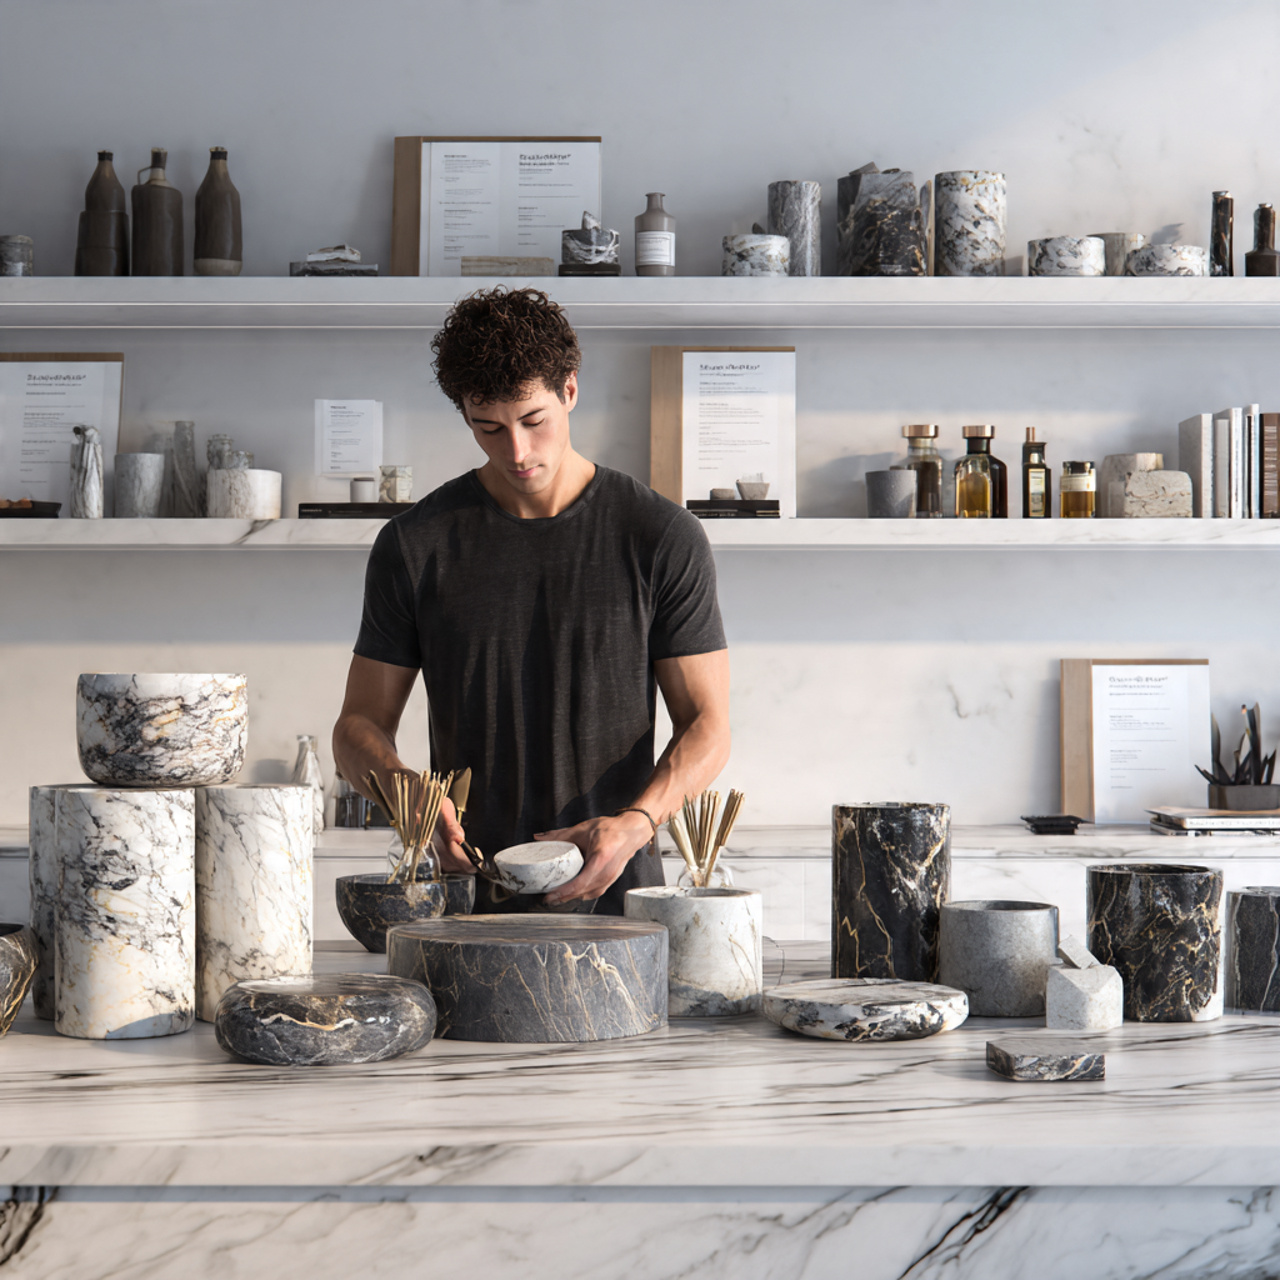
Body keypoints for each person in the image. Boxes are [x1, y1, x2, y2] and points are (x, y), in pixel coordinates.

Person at [332, 286, 730, 913]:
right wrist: (407, 794)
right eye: (487, 427)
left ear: (569, 390)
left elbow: (708, 725)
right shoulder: (414, 544)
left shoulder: (660, 536)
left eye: (533, 421)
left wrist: (637, 823)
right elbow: (357, 728)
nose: (516, 451)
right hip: (469, 900)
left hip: (625, 899)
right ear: (464, 413)